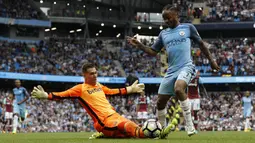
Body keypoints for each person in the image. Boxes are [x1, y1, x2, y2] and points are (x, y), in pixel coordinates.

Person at [127, 4, 220, 136]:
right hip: (171, 71)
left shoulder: (188, 28)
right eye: (164, 19)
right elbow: (153, 51)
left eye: (168, 18)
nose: (166, 21)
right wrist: (140, 45)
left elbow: (201, 44)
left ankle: (189, 125)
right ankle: (162, 130)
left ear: (176, 14)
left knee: (178, 89)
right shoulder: (163, 34)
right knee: (160, 102)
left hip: (186, 66)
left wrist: (211, 60)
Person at [31, 63, 176, 139]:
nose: (95, 75)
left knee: (128, 133)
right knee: (128, 126)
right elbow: (62, 95)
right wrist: (46, 95)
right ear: (85, 75)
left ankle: (106, 136)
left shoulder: (99, 86)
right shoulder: (79, 89)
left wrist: (129, 89)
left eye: (96, 73)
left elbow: (112, 92)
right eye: (91, 73)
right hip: (104, 122)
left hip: (114, 115)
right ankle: (156, 134)